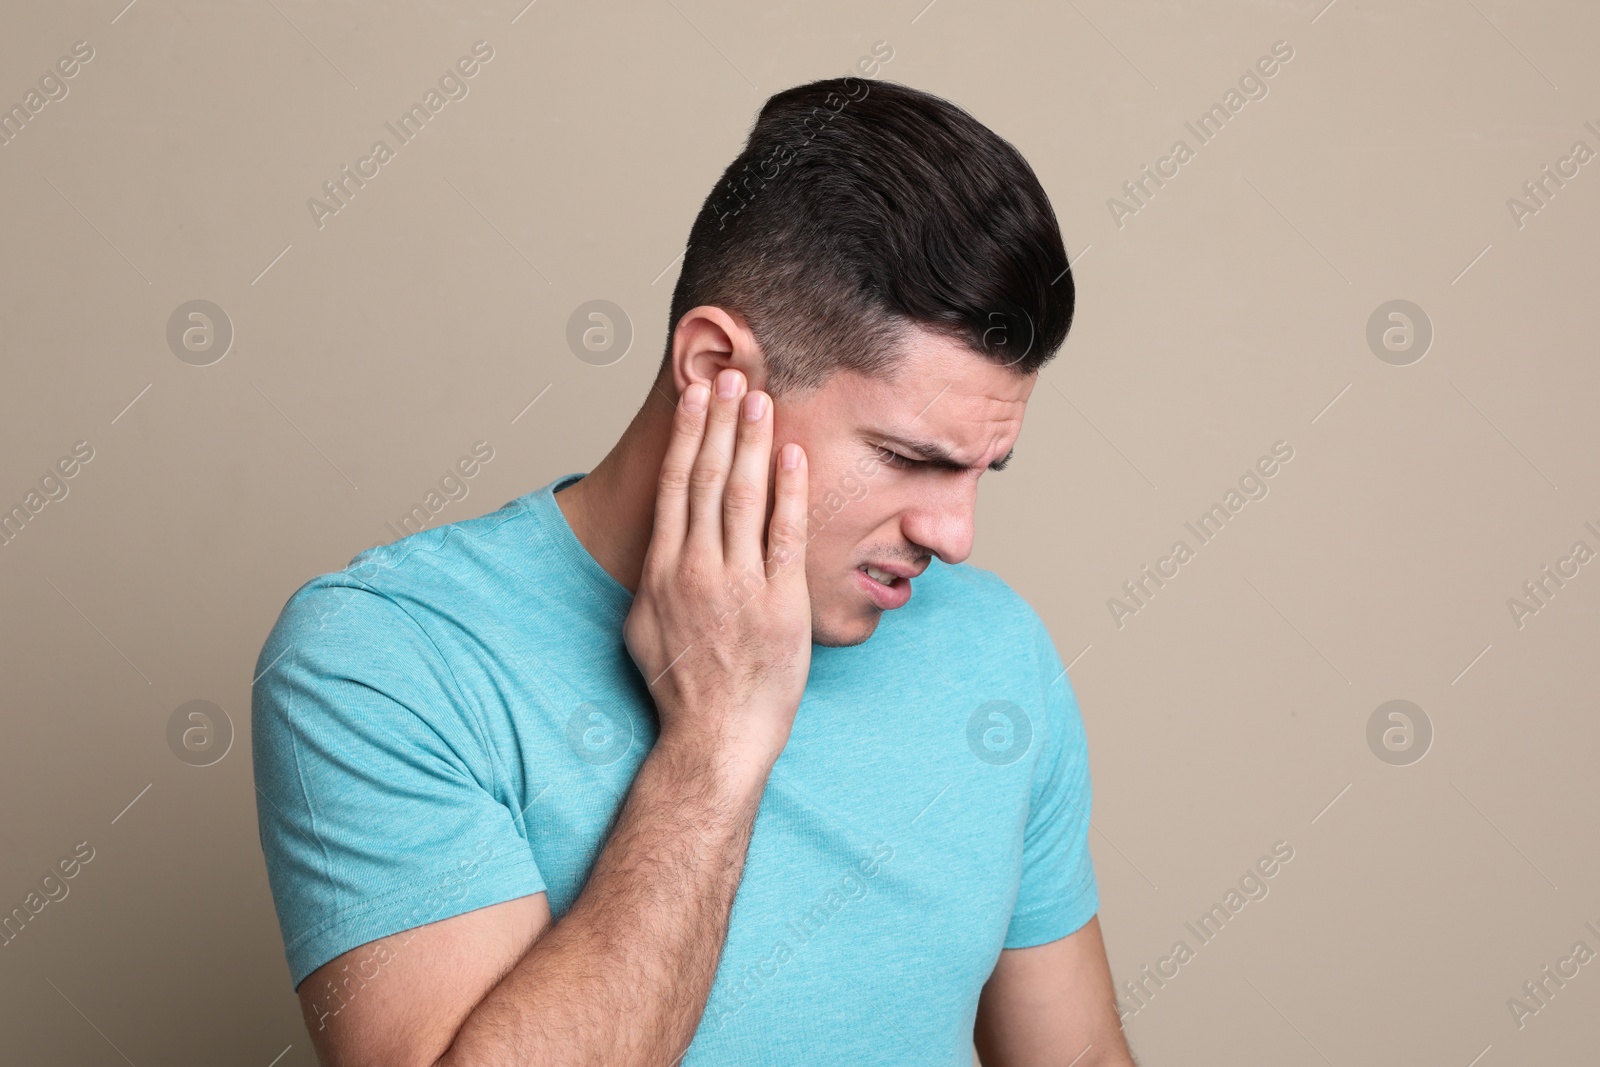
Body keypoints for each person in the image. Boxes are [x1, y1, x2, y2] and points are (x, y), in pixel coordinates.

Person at [252, 76, 1136, 1066]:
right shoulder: (388, 658)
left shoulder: (994, 649)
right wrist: (716, 744)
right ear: (718, 370)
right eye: (908, 456)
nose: (955, 532)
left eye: (981, 469)